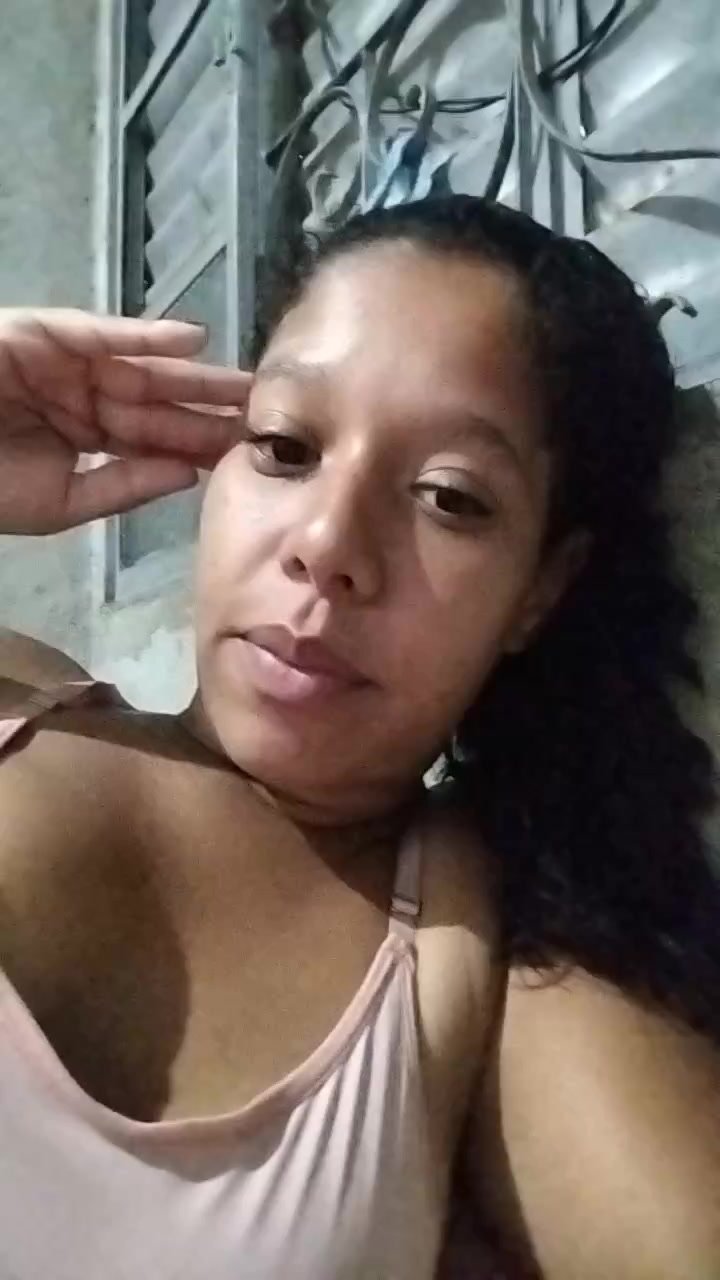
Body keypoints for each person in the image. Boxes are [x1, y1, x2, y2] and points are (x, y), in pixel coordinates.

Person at [0, 196, 718, 1280]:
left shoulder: (479, 942)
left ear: (540, 589)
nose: (329, 543)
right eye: (286, 446)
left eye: (449, 498)